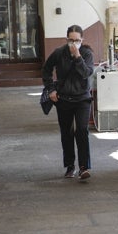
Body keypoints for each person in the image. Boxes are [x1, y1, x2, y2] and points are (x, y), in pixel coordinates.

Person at [42, 25, 95, 180]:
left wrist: (78, 56)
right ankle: (70, 166)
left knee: (82, 130)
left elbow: (86, 73)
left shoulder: (86, 53)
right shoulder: (59, 53)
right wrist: (51, 89)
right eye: (71, 40)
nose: (74, 43)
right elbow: (46, 69)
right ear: (66, 40)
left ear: (82, 40)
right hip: (63, 98)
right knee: (66, 132)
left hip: (83, 98)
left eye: (77, 40)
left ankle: (84, 167)